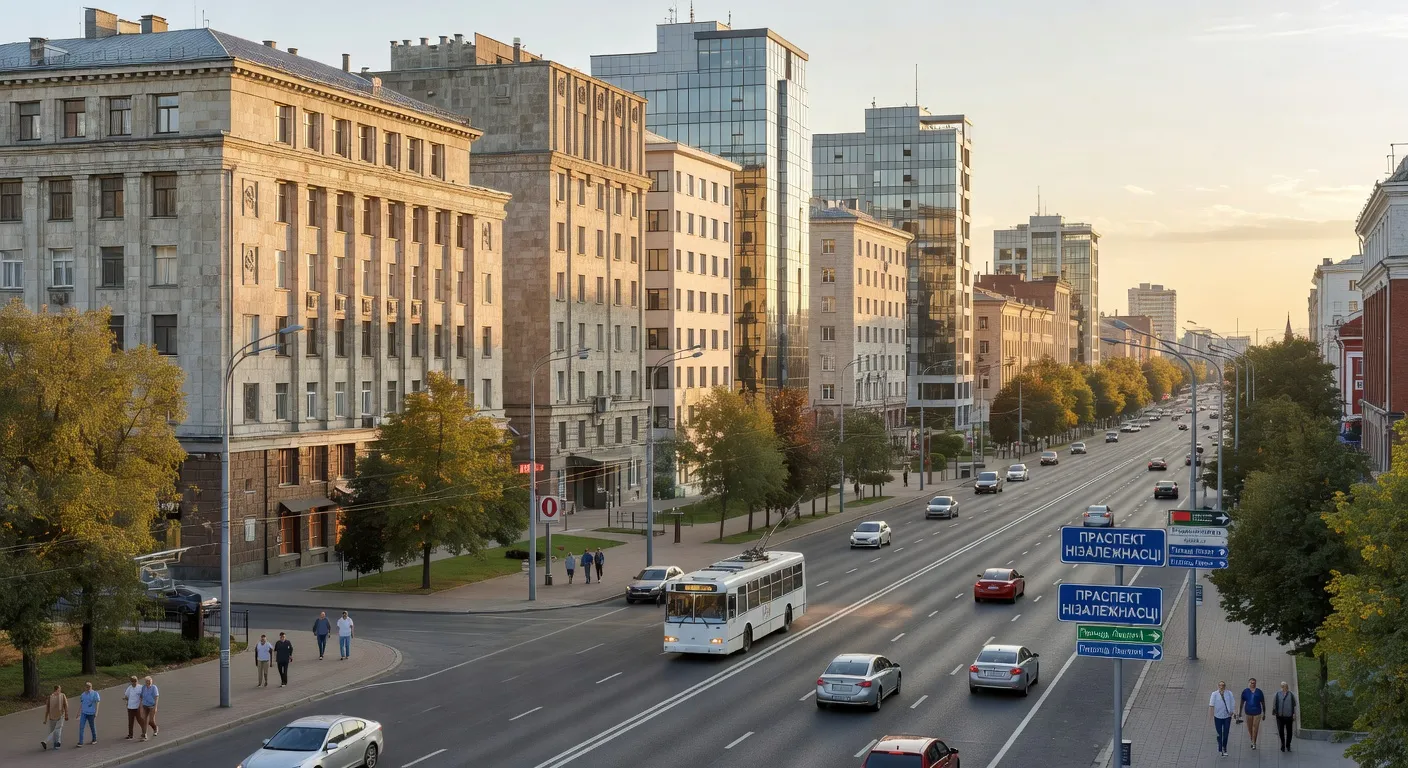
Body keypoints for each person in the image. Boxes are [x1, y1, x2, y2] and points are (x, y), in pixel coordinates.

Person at [1237, 677, 1266, 750]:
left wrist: (1264, 713)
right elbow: (1242, 702)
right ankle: (1252, 738)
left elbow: (1263, 703)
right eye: (1251, 683)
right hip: (1248, 712)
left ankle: (1254, 742)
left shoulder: (1259, 692)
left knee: (1255, 727)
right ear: (1249, 683)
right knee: (1250, 727)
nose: (1252, 684)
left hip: (1257, 712)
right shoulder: (1245, 692)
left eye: (1254, 683)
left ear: (1256, 684)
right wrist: (1239, 712)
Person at [1209, 680, 1235, 757]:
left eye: (1223, 685)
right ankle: (1220, 748)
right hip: (1218, 716)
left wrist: (1233, 712)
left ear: (1225, 686)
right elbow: (1211, 705)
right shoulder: (1214, 694)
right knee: (1219, 733)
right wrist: (1210, 716)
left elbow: (1233, 703)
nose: (1221, 687)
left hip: (1227, 716)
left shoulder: (1229, 693)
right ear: (1218, 686)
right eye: (1220, 685)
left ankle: (1224, 747)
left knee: (1226, 733)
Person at [41, 684, 68, 750]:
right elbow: (66, 705)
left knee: (53, 731)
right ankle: (47, 741)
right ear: (58, 689)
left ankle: (57, 743)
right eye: (60, 688)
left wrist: (45, 719)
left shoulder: (50, 697)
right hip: (60, 715)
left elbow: (47, 708)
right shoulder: (62, 695)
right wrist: (66, 714)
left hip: (51, 717)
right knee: (57, 729)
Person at [1273, 681, 1298, 752]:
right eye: (1283, 686)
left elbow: (1294, 705)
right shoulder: (1277, 694)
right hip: (1280, 716)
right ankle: (1283, 744)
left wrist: (1294, 714)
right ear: (1281, 687)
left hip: (1289, 716)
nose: (1285, 687)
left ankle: (1288, 745)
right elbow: (1274, 704)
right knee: (1281, 731)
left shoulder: (1291, 694)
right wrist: (1275, 712)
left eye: (1286, 686)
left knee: (1289, 732)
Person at [76, 682, 100, 747]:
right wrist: (78, 712)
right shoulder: (83, 695)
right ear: (85, 687)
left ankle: (94, 739)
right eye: (88, 687)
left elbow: (97, 702)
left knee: (92, 726)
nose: (89, 688)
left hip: (91, 713)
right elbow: (81, 704)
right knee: (81, 727)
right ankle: (80, 742)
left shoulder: (95, 693)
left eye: (90, 687)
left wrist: (96, 712)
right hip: (84, 713)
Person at [138, 676, 159, 740]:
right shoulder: (143, 687)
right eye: (147, 682)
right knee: (144, 720)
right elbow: (141, 697)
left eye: (150, 682)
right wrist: (141, 707)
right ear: (145, 682)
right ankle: (144, 734)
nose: (149, 683)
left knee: (151, 721)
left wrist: (155, 707)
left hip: (152, 705)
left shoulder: (154, 687)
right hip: (145, 705)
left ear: (151, 681)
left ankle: (155, 728)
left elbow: (156, 697)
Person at [123, 676, 143, 740]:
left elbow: (143, 696)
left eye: (135, 681)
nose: (134, 683)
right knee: (130, 722)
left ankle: (144, 732)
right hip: (130, 707)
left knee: (139, 720)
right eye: (133, 681)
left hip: (137, 707)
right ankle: (130, 735)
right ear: (131, 682)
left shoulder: (140, 687)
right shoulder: (130, 688)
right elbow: (126, 696)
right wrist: (125, 699)